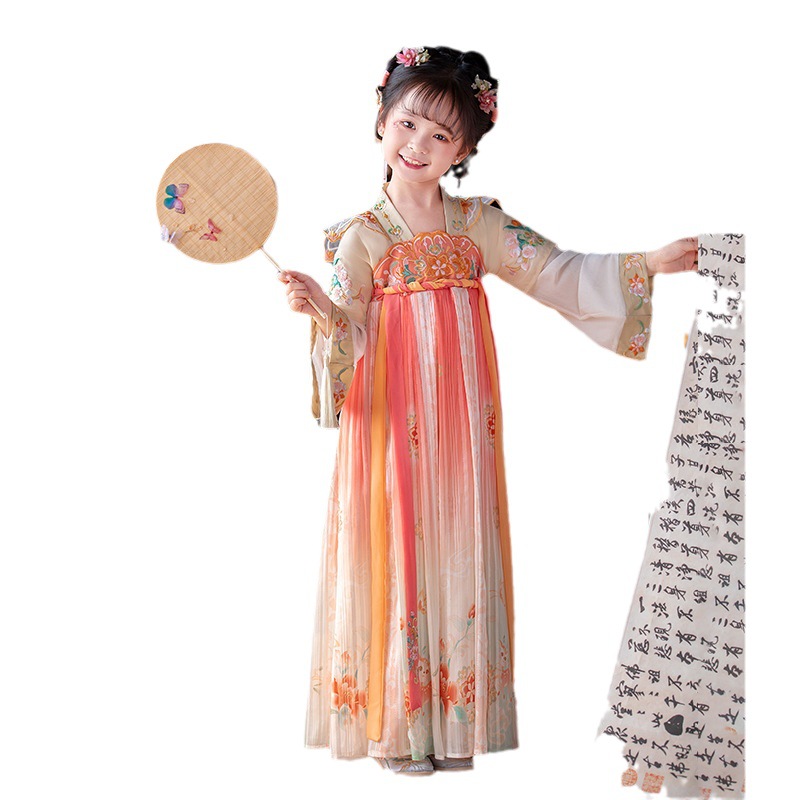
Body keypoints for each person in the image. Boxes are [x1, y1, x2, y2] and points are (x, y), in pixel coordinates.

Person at [278, 45, 698, 776]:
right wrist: (320, 308)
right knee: (398, 542)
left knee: (459, 541)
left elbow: (557, 271)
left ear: (464, 151)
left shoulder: (478, 225)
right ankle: (398, 727)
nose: (419, 145)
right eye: (408, 123)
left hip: (464, 427)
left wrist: (650, 263)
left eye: (441, 135)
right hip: (393, 424)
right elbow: (351, 333)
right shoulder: (362, 235)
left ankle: (453, 725)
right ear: (381, 119)